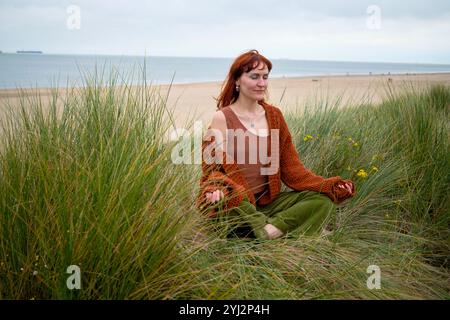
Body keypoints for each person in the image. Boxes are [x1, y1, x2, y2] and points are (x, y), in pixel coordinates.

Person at [196, 50, 355, 240]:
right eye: (254, 77)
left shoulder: (274, 116)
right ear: (237, 80)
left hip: (268, 203)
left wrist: (329, 185)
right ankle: (273, 231)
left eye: (265, 77)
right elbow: (212, 171)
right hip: (240, 204)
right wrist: (215, 190)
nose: (261, 83)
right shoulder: (222, 118)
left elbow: (293, 169)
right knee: (231, 201)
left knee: (322, 201)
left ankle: (265, 232)